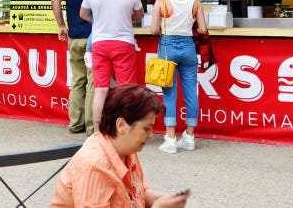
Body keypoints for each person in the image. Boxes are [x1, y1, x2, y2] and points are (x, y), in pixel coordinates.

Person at [51, 83, 191, 208]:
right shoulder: (95, 166)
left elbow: (139, 193)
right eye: (146, 128)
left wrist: (167, 200)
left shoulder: (125, 147)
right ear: (121, 125)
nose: (150, 135)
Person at [80, 0, 144, 133]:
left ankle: (98, 132)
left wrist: (99, 19)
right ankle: (125, 129)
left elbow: (83, 14)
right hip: (123, 43)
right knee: (126, 90)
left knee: (100, 90)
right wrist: (126, 15)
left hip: (100, 44)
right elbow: (139, 15)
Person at [51, 0, 111, 135]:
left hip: (75, 37)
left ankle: (75, 123)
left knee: (77, 81)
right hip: (95, 38)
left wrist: (61, 26)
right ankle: (92, 127)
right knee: (94, 82)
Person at [150, 0, 207, 154]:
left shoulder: (162, 0)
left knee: (169, 94)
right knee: (191, 91)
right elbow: (202, 29)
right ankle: (189, 137)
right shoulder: (195, 0)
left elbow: (154, 30)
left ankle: (171, 139)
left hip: (167, 48)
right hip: (189, 48)